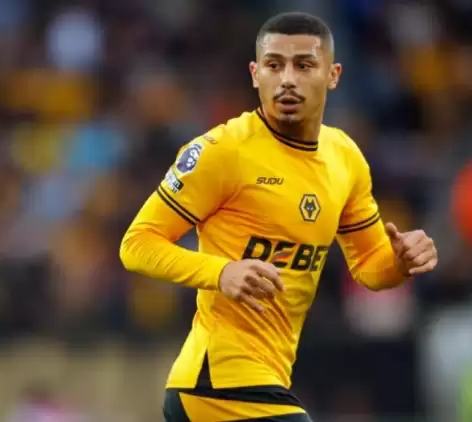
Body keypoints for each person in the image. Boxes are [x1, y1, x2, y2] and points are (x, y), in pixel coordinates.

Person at [120, 12, 439, 422]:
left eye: (304, 65)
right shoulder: (223, 151)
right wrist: (221, 272)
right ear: (256, 75)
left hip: (264, 378)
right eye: (274, 65)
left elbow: (370, 265)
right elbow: (137, 244)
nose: (287, 79)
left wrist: (400, 262)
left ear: (333, 75)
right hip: (215, 384)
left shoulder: (345, 157)